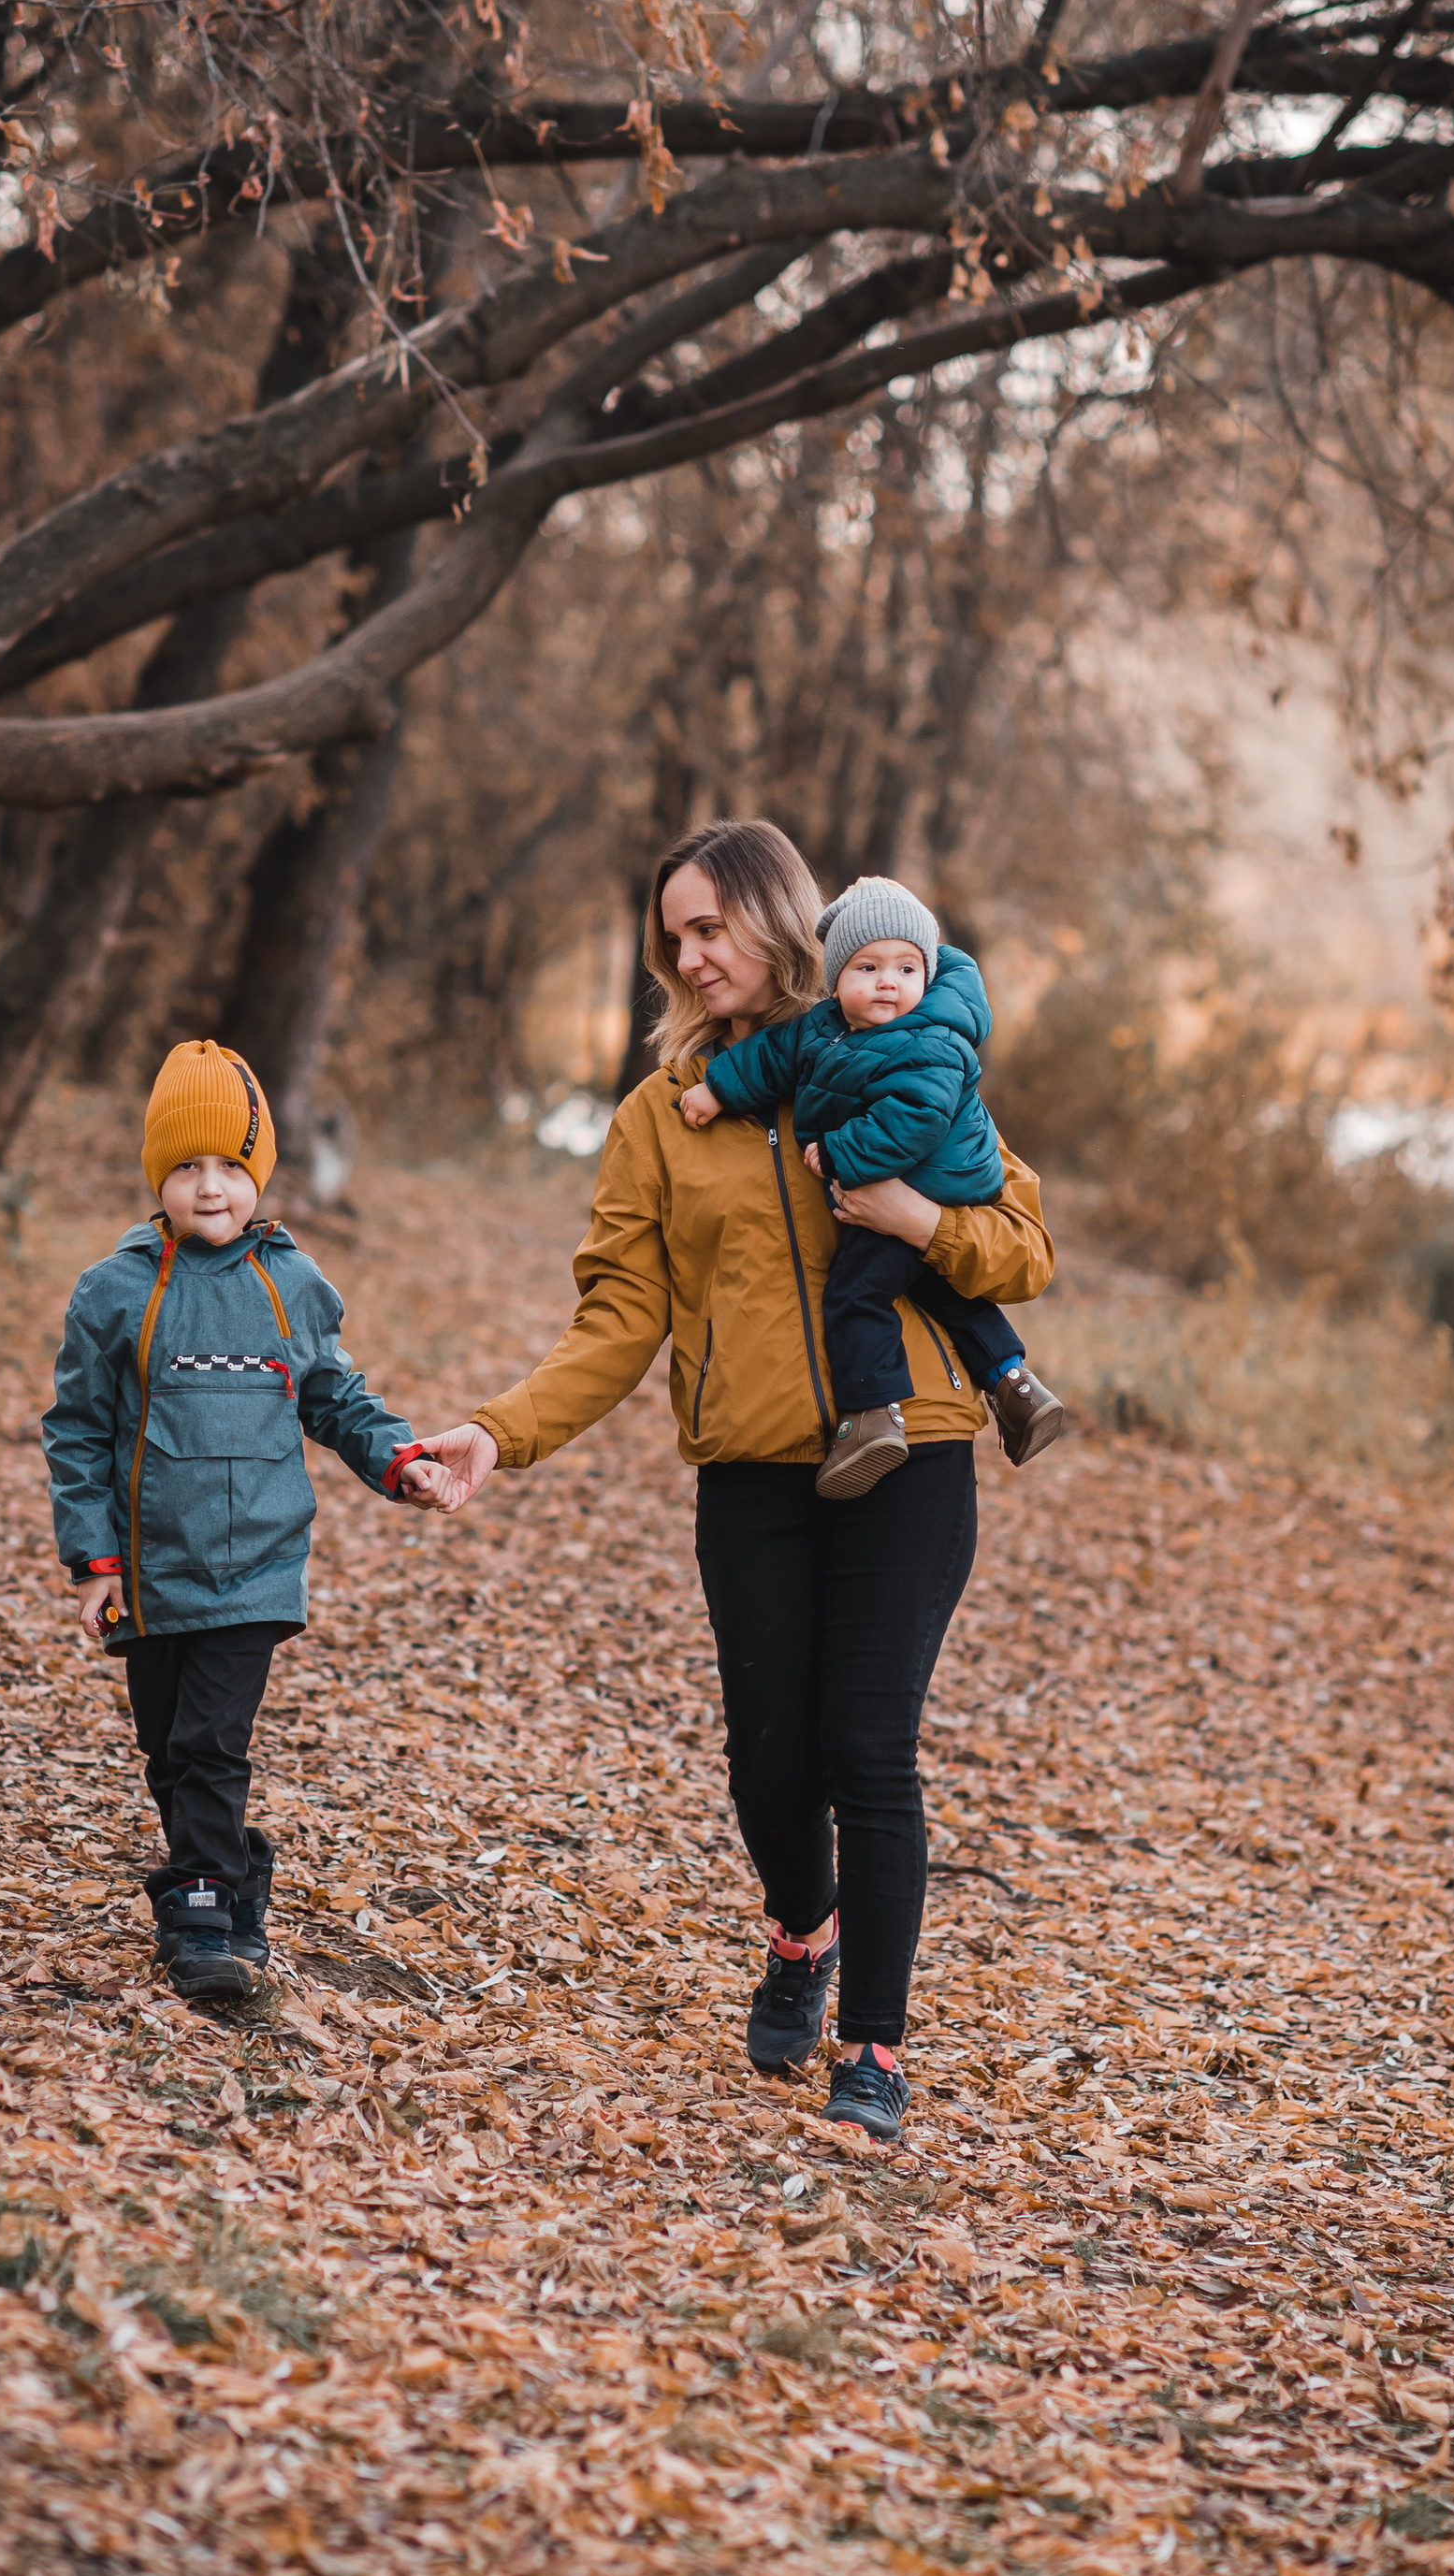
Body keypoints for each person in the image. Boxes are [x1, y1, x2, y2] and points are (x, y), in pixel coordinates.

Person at [414, 821, 1055, 2144]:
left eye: (711, 926)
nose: (691, 955)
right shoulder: (665, 1115)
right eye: (675, 938)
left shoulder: (908, 1036)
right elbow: (617, 1316)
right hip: (753, 1470)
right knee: (772, 1764)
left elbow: (1019, 1240)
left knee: (868, 1749)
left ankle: (874, 2049)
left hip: (913, 1451)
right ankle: (800, 1935)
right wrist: (499, 1433)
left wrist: (916, 1222)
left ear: (781, 919)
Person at [43, 1036, 443, 2001]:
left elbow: (334, 1397)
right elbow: (78, 1432)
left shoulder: (289, 1285)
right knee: (165, 1746)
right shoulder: (117, 1293)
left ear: (260, 1175)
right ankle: (233, 1872)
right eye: (187, 1166)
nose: (210, 1186)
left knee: (211, 1744)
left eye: (231, 1165)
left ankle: (201, 1906)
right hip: (149, 1567)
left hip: (256, 1567)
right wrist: (94, 1562)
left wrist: (396, 1459)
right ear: (158, 1178)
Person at [686, 870, 1065, 1500]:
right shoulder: (827, 1028)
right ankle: (1013, 1382)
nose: (889, 982)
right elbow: (775, 1056)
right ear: (834, 979)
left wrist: (840, 1155)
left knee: (857, 1296)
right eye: (867, 968)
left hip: (927, 1183)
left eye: (907, 968)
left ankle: (871, 1415)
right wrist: (717, 1088)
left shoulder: (932, 1040)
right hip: (914, 1186)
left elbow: (913, 1122)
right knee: (944, 1291)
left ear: (929, 971)